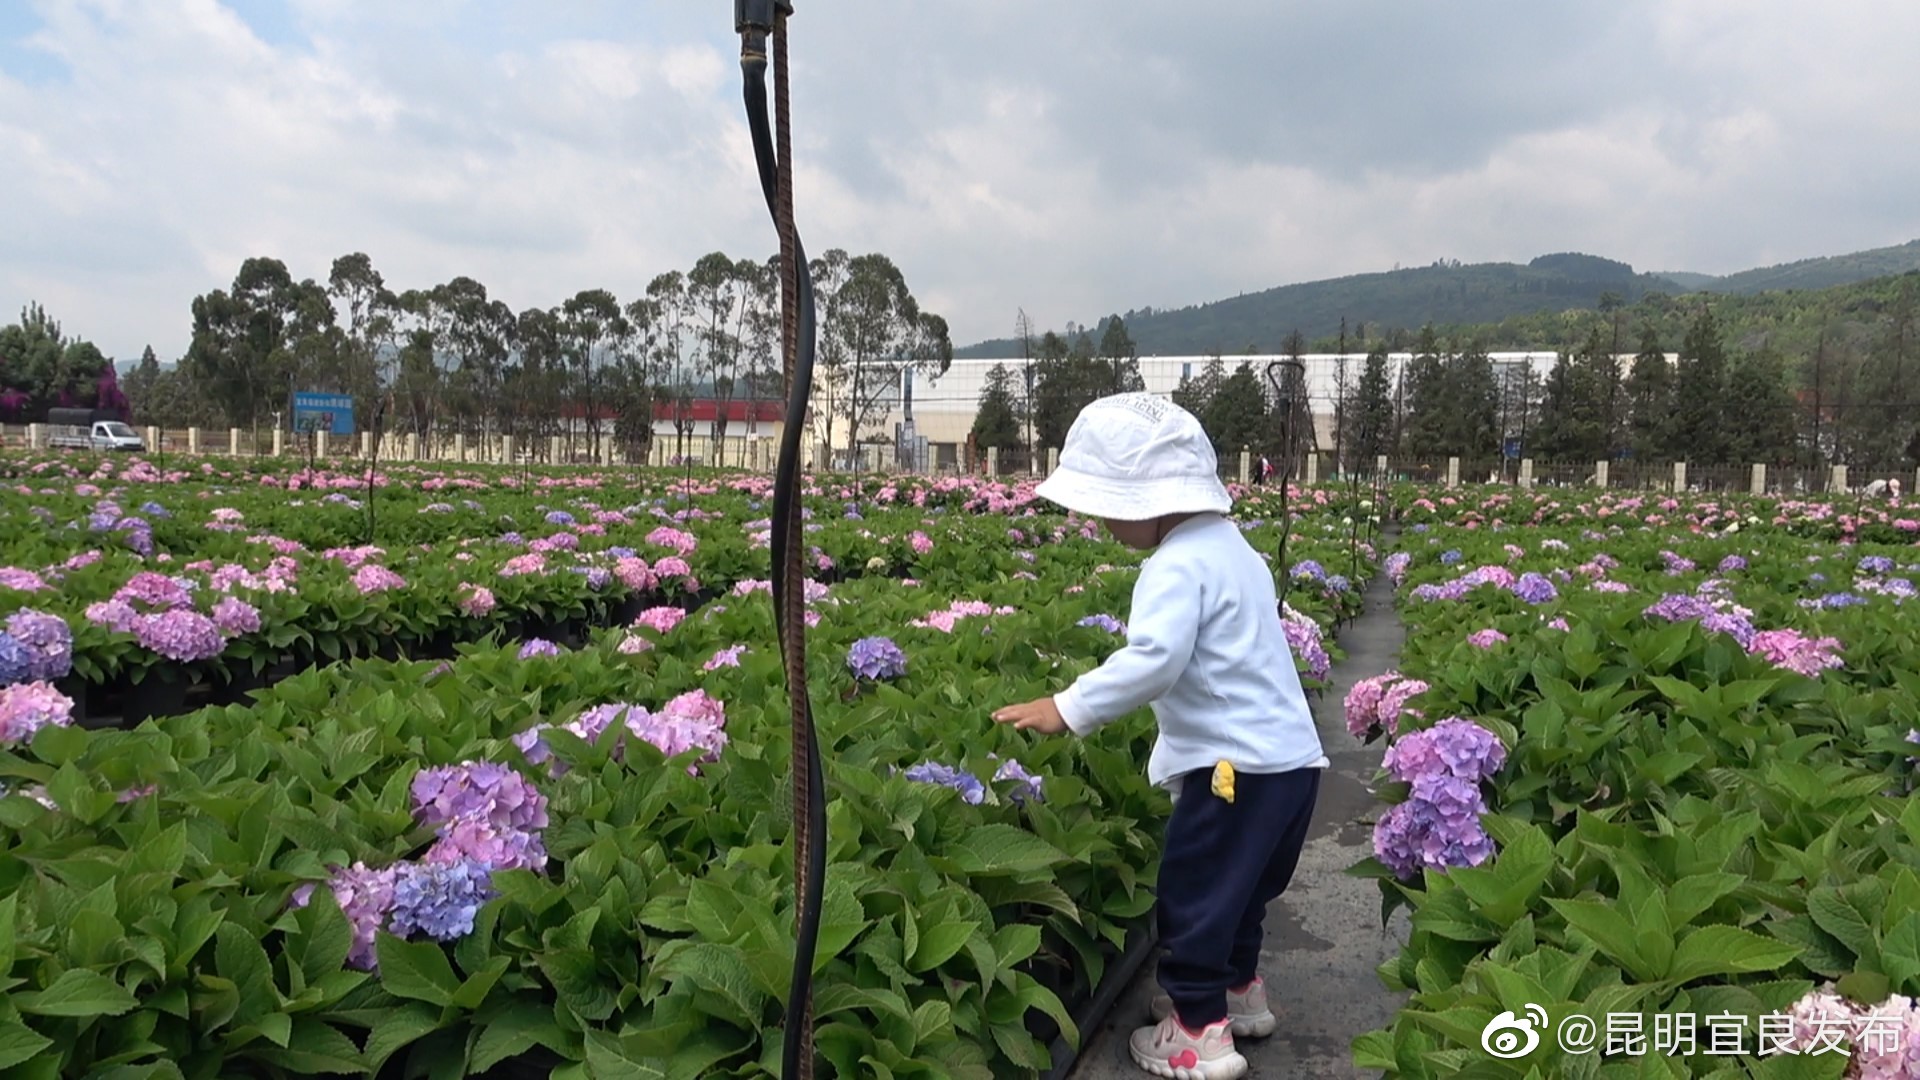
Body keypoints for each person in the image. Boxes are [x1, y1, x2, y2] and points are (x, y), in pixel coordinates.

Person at [991, 392, 1327, 1080]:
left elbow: (1154, 661)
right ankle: (1239, 993)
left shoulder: (1173, 566)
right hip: (1292, 766)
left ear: (1145, 500)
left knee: (1195, 890)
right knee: (1243, 890)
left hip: (1233, 769)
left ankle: (1198, 1032)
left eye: (1108, 508)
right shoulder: (1237, 550)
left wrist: (1068, 707)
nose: (1104, 522)